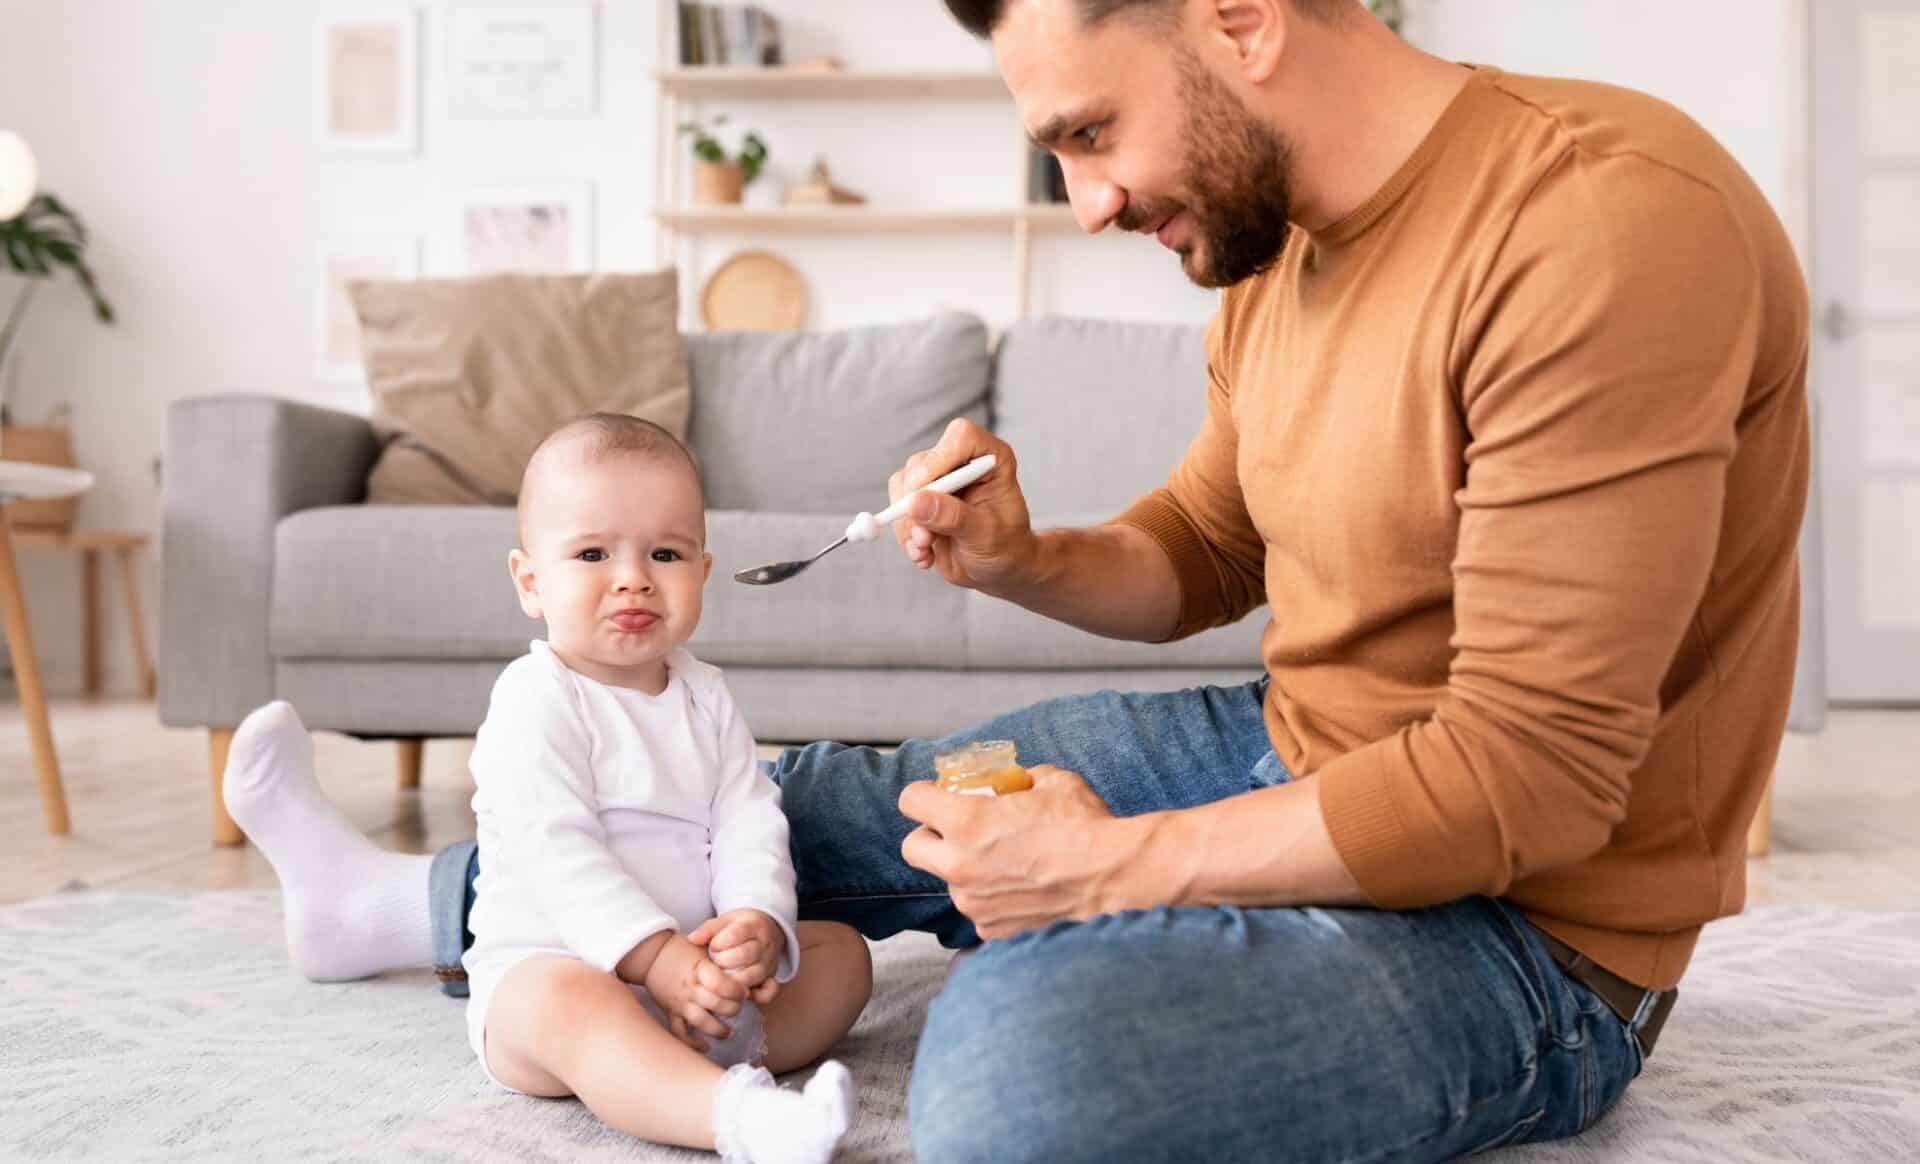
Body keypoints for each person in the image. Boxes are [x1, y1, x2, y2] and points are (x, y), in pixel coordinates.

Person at [227, 1, 1810, 1160]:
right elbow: (1206, 549)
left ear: (1238, 19)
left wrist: (1117, 871)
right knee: (811, 810)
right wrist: (1026, 557)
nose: (1090, 202)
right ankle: (397, 907)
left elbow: (1530, 774)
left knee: (1022, 1069)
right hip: (1300, 750)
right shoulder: (1282, 256)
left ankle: (1070, 959)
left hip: (1530, 931)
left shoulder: (1603, 225)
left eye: (1089, 132)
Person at [227, 415, 871, 1164]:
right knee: (563, 1000)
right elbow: (557, 850)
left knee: (841, 957)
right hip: (563, 968)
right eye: (593, 553)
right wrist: (655, 959)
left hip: (690, 977)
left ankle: (672, 1059)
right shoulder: (537, 697)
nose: (632, 576)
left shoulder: (706, 694)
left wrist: (754, 921)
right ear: (531, 581)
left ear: (700, 571)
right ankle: (739, 1119)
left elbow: (746, 814)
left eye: (665, 553)